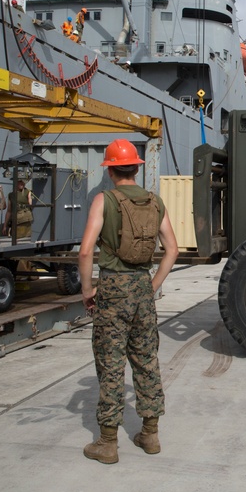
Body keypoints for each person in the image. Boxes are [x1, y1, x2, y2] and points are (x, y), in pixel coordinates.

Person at [78, 139, 178, 464]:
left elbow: (85, 250)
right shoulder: (155, 202)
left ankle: (107, 443)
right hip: (141, 289)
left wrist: (87, 289)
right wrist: (152, 285)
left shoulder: (104, 201)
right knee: (146, 359)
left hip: (112, 287)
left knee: (111, 362)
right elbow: (172, 250)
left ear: (110, 171)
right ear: (137, 167)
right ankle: (150, 434)